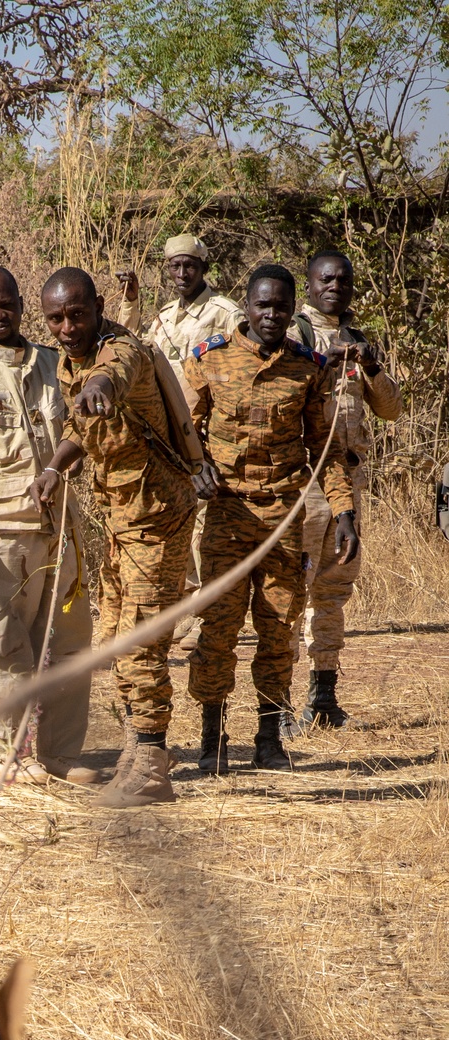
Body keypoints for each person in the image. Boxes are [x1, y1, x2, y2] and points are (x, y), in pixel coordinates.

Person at [184, 263, 359, 776]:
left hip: (283, 517)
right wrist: (197, 470)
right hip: (226, 516)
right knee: (217, 627)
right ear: (246, 304)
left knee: (278, 628)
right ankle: (211, 738)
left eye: (281, 307)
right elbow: (185, 433)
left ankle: (268, 736)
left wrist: (344, 512)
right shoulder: (209, 361)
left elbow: (325, 448)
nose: (272, 315)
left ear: (291, 309)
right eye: (263, 305)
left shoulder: (307, 367)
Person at [39, 267, 198, 808]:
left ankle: (152, 765)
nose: (66, 326)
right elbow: (79, 427)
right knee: (111, 638)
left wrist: (101, 387)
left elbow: (115, 374)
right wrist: (55, 468)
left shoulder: (117, 351)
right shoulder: (69, 361)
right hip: (119, 519)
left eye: (77, 314)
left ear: (99, 307)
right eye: (56, 318)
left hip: (159, 516)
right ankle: (135, 749)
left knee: (141, 639)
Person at [0, 265, 97, 785]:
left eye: (6, 304)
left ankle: (59, 755)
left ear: (21, 305)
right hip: (1, 537)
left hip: (59, 532)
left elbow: (81, 429)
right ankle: (11, 757)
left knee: (70, 647)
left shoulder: (55, 365)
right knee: (7, 647)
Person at [285, 249, 403, 732]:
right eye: (325, 279)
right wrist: (321, 362)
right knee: (290, 594)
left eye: (343, 280)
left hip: (348, 488)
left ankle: (324, 697)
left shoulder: (359, 339)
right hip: (304, 485)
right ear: (309, 285)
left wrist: (371, 367)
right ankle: (276, 707)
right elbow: (280, 396)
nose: (334, 287)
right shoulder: (294, 334)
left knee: (333, 593)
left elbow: (391, 409)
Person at [118, 234, 244, 652]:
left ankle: (205, 612)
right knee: (178, 521)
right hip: (168, 436)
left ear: (203, 267)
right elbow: (125, 345)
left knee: (204, 526)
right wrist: (132, 300)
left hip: (208, 435)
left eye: (189, 265)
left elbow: (244, 358)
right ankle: (188, 606)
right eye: (174, 266)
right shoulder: (164, 316)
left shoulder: (225, 312)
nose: (182, 273)